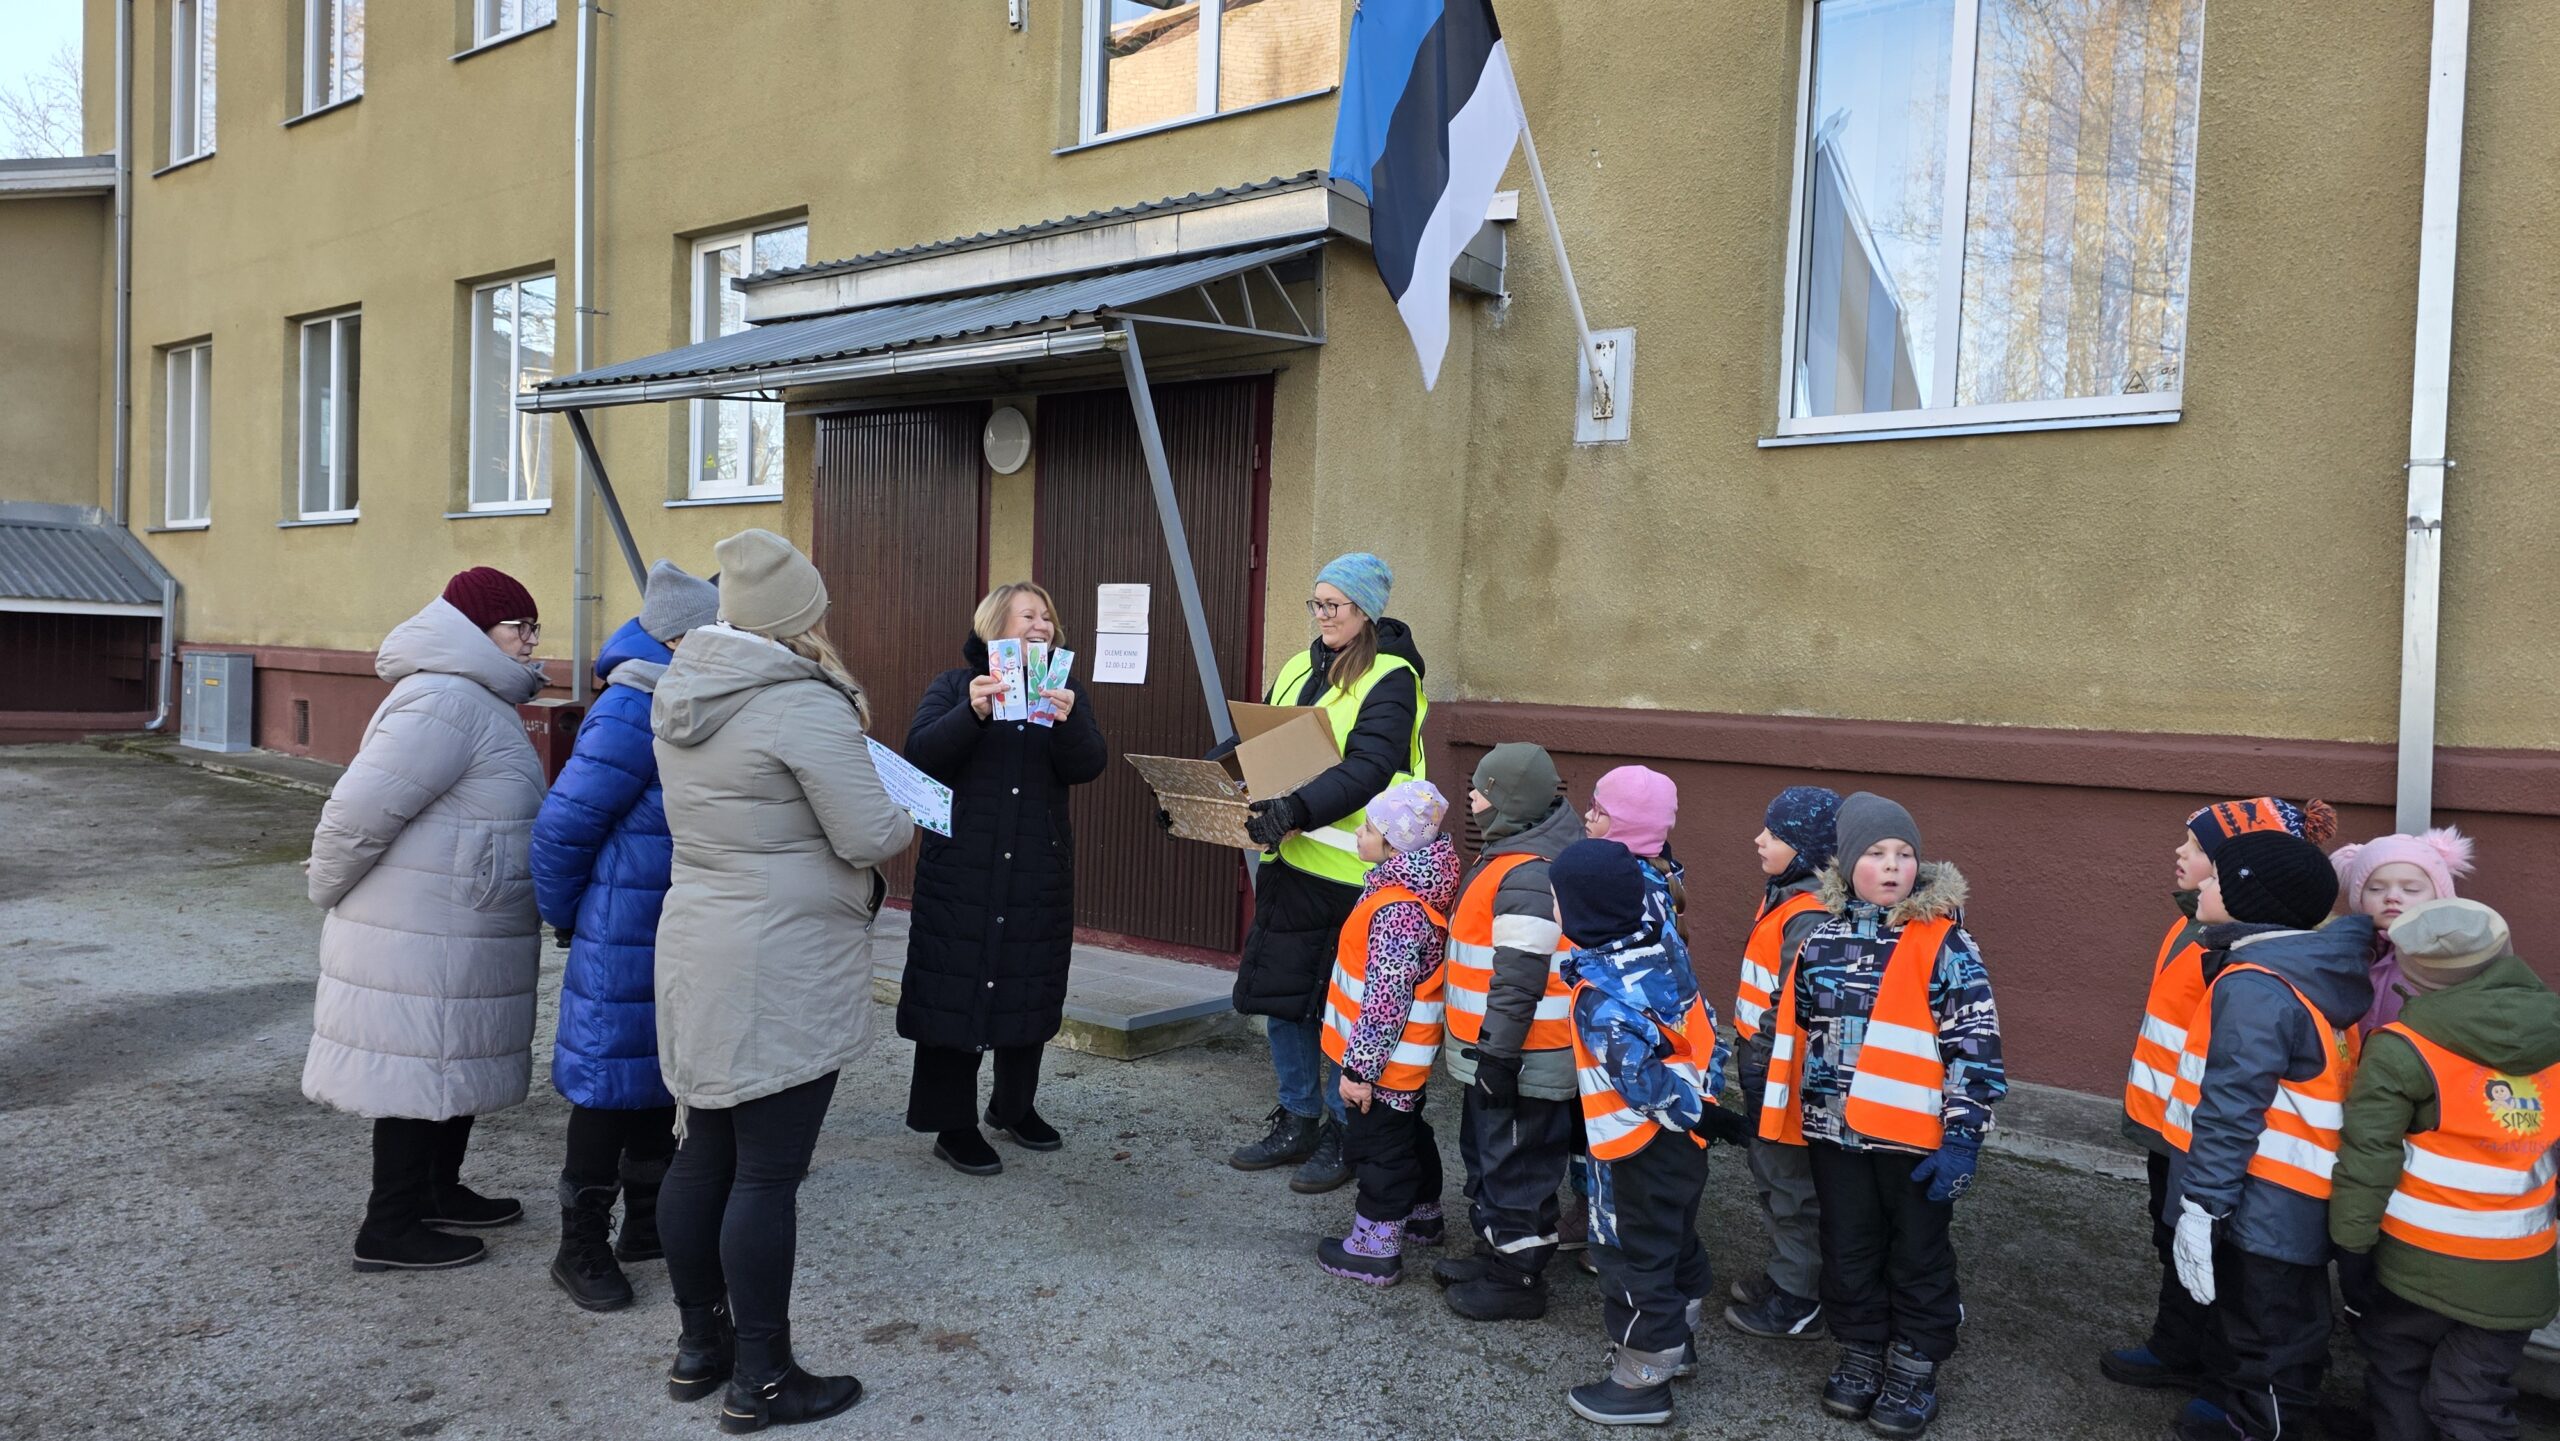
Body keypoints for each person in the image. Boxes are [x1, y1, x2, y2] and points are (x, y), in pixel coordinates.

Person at [649, 529, 915, 1433]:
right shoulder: (800, 702)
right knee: (765, 1174)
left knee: (704, 1152)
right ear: (802, 616)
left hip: (701, 940)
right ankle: (763, 1379)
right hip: (781, 956)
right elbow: (869, 833)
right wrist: (904, 808)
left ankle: (701, 1347)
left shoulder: (686, 686)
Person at [302, 567, 550, 1274]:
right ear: (475, 631)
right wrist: (327, 887)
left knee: (451, 1058)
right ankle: (388, 1227)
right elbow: (358, 810)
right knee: (418, 1069)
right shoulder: (445, 699)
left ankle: (438, 1189)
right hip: (421, 926)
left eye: (534, 627)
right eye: (519, 627)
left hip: (456, 918)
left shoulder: (474, 695)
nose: (532, 641)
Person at [1759, 793, 2005, 1440]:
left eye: (1904, 853)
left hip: (1915, 1141)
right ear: (1846, 863)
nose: (1893, 864)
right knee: (1848, 1247)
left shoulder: (1946, 943)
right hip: (1835, 1134)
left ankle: (1914, 1366)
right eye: (1875, 852)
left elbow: (1975, 1045)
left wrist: (1963, 1137)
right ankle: (1862, 1350)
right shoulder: (1821, 940)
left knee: (1918, 1253)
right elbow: (1793, 1022)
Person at [2103, 794, 2335, 1420]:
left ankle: (2223, 1381)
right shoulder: (2190, 924)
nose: (2180, 853)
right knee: (2173, 1239)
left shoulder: (2250, 951)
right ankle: (2178, 1345)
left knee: (2224, 1263)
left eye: (2198, 847)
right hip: (2169, 1125)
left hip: (2214, 1138)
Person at [531, 560, 720, 1311]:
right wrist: (569, 916)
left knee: (658, 1074)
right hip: (620, 924)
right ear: (678, 638)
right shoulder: (631, 704)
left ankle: (646, 1222)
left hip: (672, 918)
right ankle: (578, 1245)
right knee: (606, 1084)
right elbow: (562, 826)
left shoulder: (685, 693)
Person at [2159, 830, 2372, 1441]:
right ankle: (2250, 1411)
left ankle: (2263, 1426)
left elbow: (2232, 1107)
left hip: (2262, 1198)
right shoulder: (2299, 967)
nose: (2202, 884)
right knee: (2276, 1320)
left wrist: (2203, 1204)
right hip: (2288, 1196)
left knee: (2269, 1332)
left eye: (2216, 879)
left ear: (2252, 899)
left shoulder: (2255, 984)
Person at [1227, 553, 1428, 1196]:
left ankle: (1345, 1132)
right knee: (1285, 999)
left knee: (1346, 1012)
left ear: (1365, 610)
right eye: (1315, 603)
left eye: (1332, 605)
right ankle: (1297, 1119)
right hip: (1291, 864)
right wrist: (1200, 784)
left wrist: (1296, 807)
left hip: (1358, 874)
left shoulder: (1392, 676)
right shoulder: (1297, 666)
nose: (1320, 615)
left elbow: (1370, 767)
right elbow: (1258, 745)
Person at [898, 582, 1108, 1177]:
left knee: (1027, 983)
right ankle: (951, 1125)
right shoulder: (953, 685)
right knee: (953, 984)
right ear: (995, 626)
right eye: (1028, 616)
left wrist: (1068, 721)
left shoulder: (1064, 690)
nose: (1042, 625)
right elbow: (921, 755)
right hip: (962, 869)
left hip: (1037, 868)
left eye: (1048, 617)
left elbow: (1089, 764)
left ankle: (1013, 1107)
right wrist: (972, 712)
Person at [2332, 900, 2560, 1441]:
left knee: (2398, 1373)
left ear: (2413, 974)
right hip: (2519, 1272)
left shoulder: (2403, 1048)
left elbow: (2368, 1156)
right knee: (2473, 1398)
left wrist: (2351, 1247)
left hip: (2416, 1263)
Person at [1553, 839, 1724, 1427]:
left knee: (1629, 1258)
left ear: (1580, 912)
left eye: (1557, 899)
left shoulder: (1600, 1000)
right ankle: (1680, 1344)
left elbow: (1643, 1086)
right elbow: (1706, 1026)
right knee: (1673, 1240)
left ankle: (1642, 1380)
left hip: (1633, 1151)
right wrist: (1706, 1111)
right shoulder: (1664, 949)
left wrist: (1687, 1111)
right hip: (1685, 1145)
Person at [1432, 742, 1586, 1321]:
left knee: (1517, 1166)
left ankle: (1518, 1279)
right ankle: (1496, 1252)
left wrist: (1497, 1055)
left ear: (1510, 801)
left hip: (1523, 1056)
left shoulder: (1528, 872)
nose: (1471, 798)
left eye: (1482, 789)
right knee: (1491, 1156)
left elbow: (1520, 974)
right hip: (1502, 1051)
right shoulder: (1511, 855)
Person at [1315, 781, 1460, 1287]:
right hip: (1399, 1061)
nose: (1359, 833)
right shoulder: (1404, 892)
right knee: (1408, 1133)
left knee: (1380, 1148)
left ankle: (1375, 1248)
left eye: (1370, 828)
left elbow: (1385, 1001)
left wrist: (1359, 1071)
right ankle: (1423, 1214)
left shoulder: (1398, 910)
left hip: (1382, 1064)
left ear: (1395, 845)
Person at [1727, 785, 1843, 1341]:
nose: (1758, 840)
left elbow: (1794, 1000)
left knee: (1790, 1185)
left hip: (1783, 1072)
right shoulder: (1787, 895)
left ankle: (1800, 1297)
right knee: (1774, 1177)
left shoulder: (1809, 913)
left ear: (1806, 847)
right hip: (1769, 1063)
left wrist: (1760, 1058)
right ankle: (1787, 1274)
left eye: (1773, 834)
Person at [2329, 827, 2475, 1035]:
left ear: (2439, 897)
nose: (2392, 897)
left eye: (2410, 889)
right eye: (2376, 889)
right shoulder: (2344, 952)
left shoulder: (2450, 960)